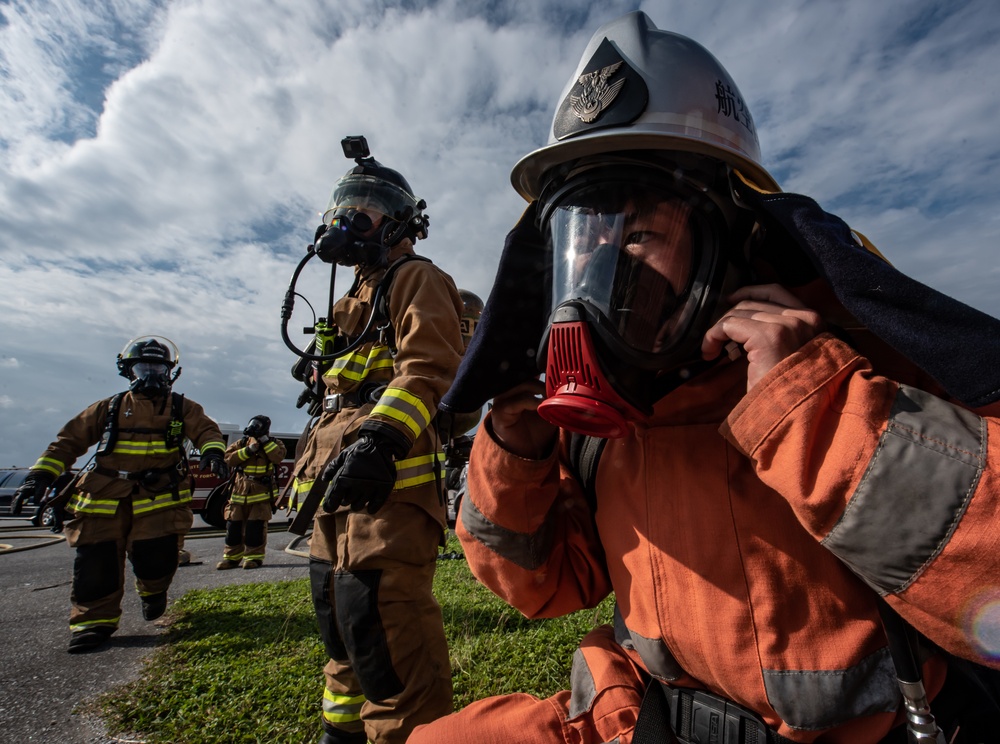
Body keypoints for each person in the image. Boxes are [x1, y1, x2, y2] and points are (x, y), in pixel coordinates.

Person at [412, 12, 1000, 744]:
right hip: (648, 722)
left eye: (638, 233)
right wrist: (515, 450)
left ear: (732, 236)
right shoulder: (605, 426)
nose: (599, 271)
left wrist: (813, 408)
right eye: (583, 237)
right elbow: (544, 586)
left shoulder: (863, 360)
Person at [287, 136, 465, 744]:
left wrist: (382, 440)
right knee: (338, 614)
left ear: (400, 223)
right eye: (343, 206)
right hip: (335, 480)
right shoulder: (351, 297)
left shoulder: (417, 278)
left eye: (364, 207)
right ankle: (344, 731)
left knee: (383, 615)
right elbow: (348, 380)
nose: (346, 219)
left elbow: (429, 367)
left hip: (390, 480)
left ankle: (410, 735)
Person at [13, 336, 228, 653]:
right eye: (143, 367)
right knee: (95, 563)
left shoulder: (184, 408)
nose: (151, 373)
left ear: (170, 372)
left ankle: (153, 592)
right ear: (128, 371)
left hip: (158, 499)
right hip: (104, 498)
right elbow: (67, 442)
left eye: (158, 367)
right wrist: (40, 475)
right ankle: (92, 624)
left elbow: (207, 432)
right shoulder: (109, 408)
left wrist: (213, 454)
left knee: (157, 558)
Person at [216, 414, 286, 570]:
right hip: (239, 492)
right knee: (233, 527)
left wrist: (265, 442)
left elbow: (277, 457)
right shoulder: (241, 443)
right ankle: (231, 558)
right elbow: (228, 459)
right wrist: (248, 450)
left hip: (261, 493)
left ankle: (253, 558)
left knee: (256, 528)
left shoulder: (275, 444)